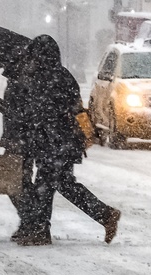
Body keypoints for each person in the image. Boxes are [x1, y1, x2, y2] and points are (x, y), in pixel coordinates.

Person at [11, 35, 121, 246]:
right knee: (62, 184)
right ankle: (105, 215)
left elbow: (41, 113)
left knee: (45, 185)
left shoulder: (45, 79)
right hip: (65, 143)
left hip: (54, 143)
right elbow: (71, 108)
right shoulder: (62, 76)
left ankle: (41, 231)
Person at [0, 59, 36, 241]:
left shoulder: (21, 83)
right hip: (19, 139)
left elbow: (18, 114)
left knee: (15, 184)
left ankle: (31, 222)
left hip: (20, 140)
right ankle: (30, 222)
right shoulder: (17, 81)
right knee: (19, 183)